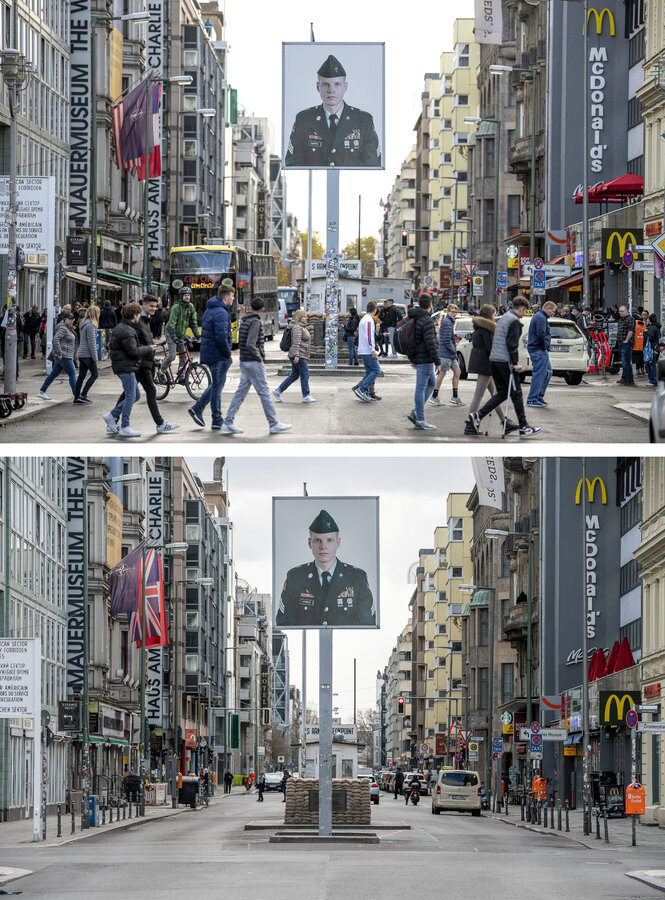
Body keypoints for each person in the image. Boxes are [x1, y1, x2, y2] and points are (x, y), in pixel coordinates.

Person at [276, 508, 375, 627]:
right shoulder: (295, 578)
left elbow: (367, 624)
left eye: (329, 540)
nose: (323, 546)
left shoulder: (357, 579)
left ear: (338, 542)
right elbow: (284, 624)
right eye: (318, 540)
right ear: (309, 543)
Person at [285, 54, 381, 168]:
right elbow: (293, 165)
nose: (331, 90)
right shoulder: (304, 121)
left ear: (345, 87)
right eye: (326, 84)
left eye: (337, 84)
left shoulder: (363, 122)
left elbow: (373, 165)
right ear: (317, 87)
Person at [465, 296, 542, 437]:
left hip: (495, 360)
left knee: (501, 393)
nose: (524, 314)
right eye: (525, 311)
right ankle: (523, 426)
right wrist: (515, 364)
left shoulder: (504, 318)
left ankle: (478, 415)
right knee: (516, 393)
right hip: (505, 361)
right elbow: (512, 345)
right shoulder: (513, 321)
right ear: (522, 309)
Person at [108, 294, 179, 435]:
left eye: (155, 306)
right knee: (147, 392)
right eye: (151, 306)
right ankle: (159, 424)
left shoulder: (144, 319)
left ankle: (113, 420)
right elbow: (134, 345)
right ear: (143, 306)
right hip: (140, 362)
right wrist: (149, 350)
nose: (154, 308)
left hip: (142, 361)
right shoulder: (137, 321)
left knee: (130, 394)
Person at [221, 297, 292, 435]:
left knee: (240, 393)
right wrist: (259, 358)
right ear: (262, 309)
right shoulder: (255, 322)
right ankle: (273, 424)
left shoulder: (246, 320)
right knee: (264, 392)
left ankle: (228, 422)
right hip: (253, 362)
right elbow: (250, 343)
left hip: (245, 361)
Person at [103, 302, 155, 438]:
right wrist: (149, 348)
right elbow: (133, 351)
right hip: (126, 366)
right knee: (131, 395)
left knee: (135, 395)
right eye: (138, 314)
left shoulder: (121, 327)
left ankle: (112, 415)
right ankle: (124, 425)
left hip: (123, 366)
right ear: (134, 315)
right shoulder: (127, 330)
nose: (139, 317)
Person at [463, 304, 518, 436]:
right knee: (478, 396)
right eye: (493, 314)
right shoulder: (487, 329)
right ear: (489, 315)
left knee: (496, 396)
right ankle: (470, 425)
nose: (495, 316)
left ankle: (505, 422)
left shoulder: (479, 327)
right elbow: (490, 348)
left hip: (484, 364)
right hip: (486, 365)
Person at [188, 284, 234, 429]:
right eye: (232, 296)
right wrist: (227, 353)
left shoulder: (211, 310)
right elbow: (221, 336)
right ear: (226, 297)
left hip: (211, 353)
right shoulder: (221, 312)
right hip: (218, 355)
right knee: (216, 388)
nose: (233, 298)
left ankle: (199, 409)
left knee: (216, 385)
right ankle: (215, 419)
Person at [405, 293, 440, 430]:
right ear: (430, 305)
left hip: (420, 357)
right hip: (425, 358)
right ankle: (420, 419)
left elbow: (412, 340)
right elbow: (430, 342)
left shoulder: (415, 317)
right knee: (421, 387)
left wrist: (413, 358)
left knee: (432, 383)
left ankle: (416, 411)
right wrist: (437, 360)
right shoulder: (426, 320)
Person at [273, 308, 316, 403]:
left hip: (299, 354)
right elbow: (296, 342)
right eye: (304, 317)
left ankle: (278, 390)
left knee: (295, 375)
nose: (306, 318)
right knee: (305, 374)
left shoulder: (300, 327)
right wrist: (296, 355)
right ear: (300, 318)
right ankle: (306, 395)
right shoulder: (297, 328)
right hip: (298, 355)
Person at [37, 311, 78, 400]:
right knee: (72, 373)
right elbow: (55, 339)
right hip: (64, 355)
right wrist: (59, 353)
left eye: (72, 319)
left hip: (65, 355)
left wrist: (74, 357)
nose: (71, 321)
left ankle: (42, 391)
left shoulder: (68, 328)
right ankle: (77, 395)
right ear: (64, 319)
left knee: (53, 374)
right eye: (69, 319)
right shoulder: (63, 328)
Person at [430, 303, 465, 407]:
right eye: (452, 311)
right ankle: (434, 396)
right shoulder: (446, 322)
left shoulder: (449, 322)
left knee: (457, 372)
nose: (454, 314)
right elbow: (446, 340)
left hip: (450, 354)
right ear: (448, 312)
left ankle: (455, 397)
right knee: (442, 374)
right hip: (446, 354)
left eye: (455, 312)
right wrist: (454, 350)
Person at [160, 286, 200, 375]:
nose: (187, 297)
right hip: (171, 333)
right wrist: (174, 337)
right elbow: (171, 324)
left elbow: (193, 323)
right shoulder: (176, 307)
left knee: (183, 355)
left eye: (188, 295)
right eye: (185, 295)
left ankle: (181, 375)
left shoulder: (191, 307)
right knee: (173, 356)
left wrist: (197, 335)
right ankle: (161, 370)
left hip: (181, 334)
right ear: (181, 296)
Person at [526, 300, 557, 407]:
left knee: (548, 372)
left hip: (539, 348)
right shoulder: (541, 318)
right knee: (539, 374)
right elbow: (541, 334)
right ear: (548, 309)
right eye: (552, 311)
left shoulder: (540, 317)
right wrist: (544, 347)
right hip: (539, 349)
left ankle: (538, 396)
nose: (552, 314)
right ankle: (532, 399)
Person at [353, 300, 381, 402]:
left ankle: (366, 393)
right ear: (375, 310)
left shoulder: (363, 319)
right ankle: (362, 389)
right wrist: (372, 349)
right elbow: (369, 336)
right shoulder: (369, 320)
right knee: (376, 370)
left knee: (369, 371)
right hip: (368, 350)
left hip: (362, 349)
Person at [73, 304, 101, 403]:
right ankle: (83, 395)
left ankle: (76, 397)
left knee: (81, 376)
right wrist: (95, 357)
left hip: (81, 353)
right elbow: (92, 343)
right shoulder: (91, 325)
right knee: (95, 375)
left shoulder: (83, 323)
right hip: (88, 354)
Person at [615, 304, 636, 385]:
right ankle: (630, 378)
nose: (621, 313)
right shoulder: (621, 319)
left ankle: (624, 378)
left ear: (626, 311)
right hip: (621, 343)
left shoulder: (630, 319)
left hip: (626, 343)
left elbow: (631, 331)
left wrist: (626, 341)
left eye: (622, 311)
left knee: (625, 362)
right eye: (620, 311)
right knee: (627, 362)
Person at [646, 313, 661, 387]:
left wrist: (645, 332)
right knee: (653, 364)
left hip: (651, 348)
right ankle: (653, 379)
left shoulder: (652, 328)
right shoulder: (657, 327)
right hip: (656, 347)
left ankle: (653, 380)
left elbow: (649, 337)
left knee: (651, 364)